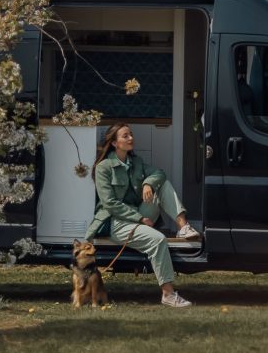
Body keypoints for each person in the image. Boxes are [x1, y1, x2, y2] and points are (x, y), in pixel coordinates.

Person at [85, 124, 202, 309]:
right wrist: (139, 219)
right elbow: (110, 204)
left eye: (130, 134)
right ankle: (168, 294)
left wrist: (148, 183)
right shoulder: (104, 167)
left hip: (138, 214)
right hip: (117, 221)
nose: (131, 138)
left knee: (161, 184)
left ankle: (183, 226)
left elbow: (159, 174)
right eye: (125, 136)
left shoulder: (136, 162)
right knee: (158, 240)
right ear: (115, 143)